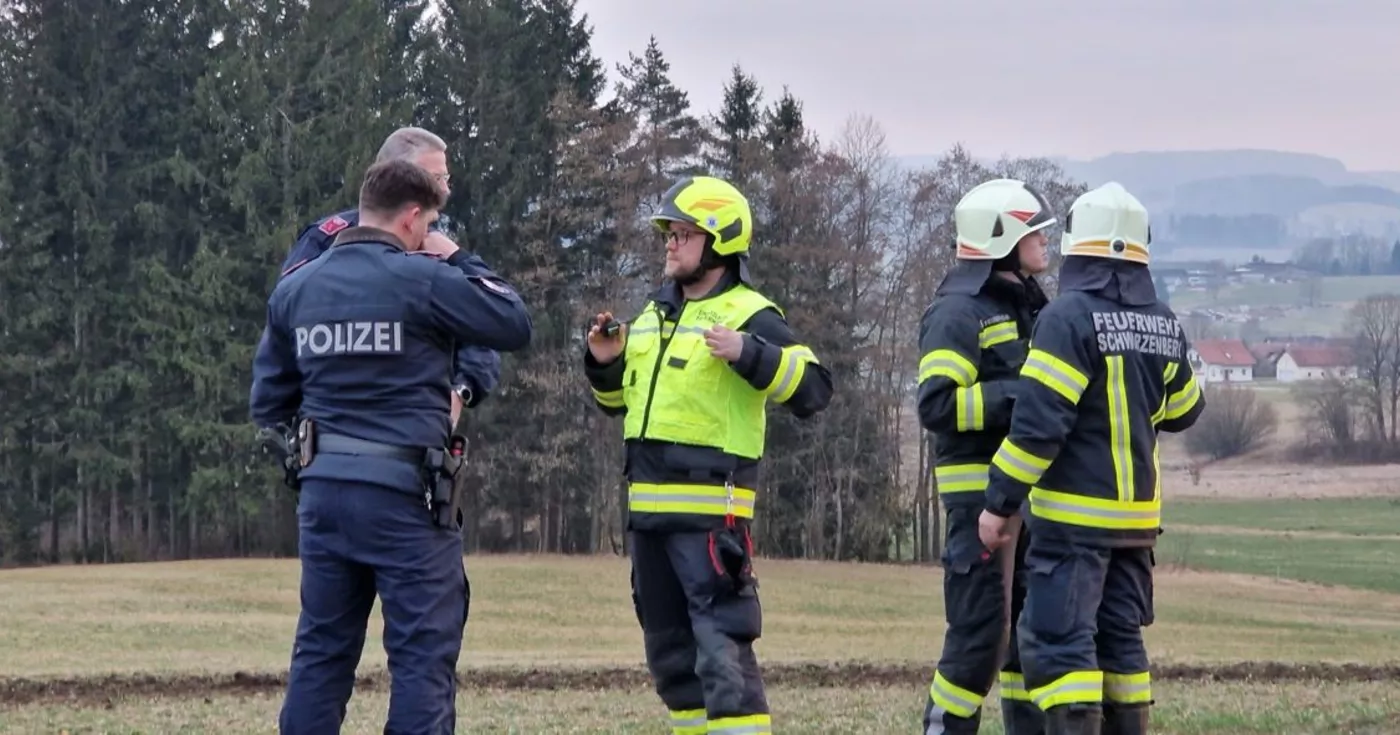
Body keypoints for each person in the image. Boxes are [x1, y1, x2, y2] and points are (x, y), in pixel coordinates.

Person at [249, 158, 533, 734]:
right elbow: (512, 320)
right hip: (408, 500)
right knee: (421, 661)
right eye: (429, 223)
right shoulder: (423, 279)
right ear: (411, 218)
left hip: (324, 496)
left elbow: (268, 402)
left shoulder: (297, 287)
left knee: (322, 655)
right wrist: (455, 256)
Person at [583, 175, 833, 735]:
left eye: (683, 234)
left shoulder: (751, 314)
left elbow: (815, 389)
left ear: (719, 241)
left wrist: (750, 353)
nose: (670, 244)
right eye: (668, 234)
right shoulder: (652, 313)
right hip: (647, 521)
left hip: (710, 524)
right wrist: (603, 362)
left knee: (723, 659)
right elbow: (617, 404)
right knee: (671, 662)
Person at [977, 182, 1205, 735]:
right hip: (1136, 527)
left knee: (1058, 645)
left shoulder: (1066, 319)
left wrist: (998, 505)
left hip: (1074, 525)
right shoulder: (1164, 320)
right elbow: (1185, 409)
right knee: (1122, 643)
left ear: (1082, 245)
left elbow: (1037, 428)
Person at [917, 178, 1057, 735]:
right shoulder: (957, 312)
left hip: (1025, 502)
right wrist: (1023, 395)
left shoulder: (1029, 306)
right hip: (978, 503)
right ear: (1001, 239)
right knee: (978, 639)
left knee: (1026, 641)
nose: (1046, 243)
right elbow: (937, 403)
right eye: (1034, 232)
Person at [281, 126, 502, 426]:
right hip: (331, 424)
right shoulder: (323, 241)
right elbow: (284, 326)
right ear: (397, 175)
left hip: (414, 426)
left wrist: (460, 391)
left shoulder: (439, 248)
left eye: (445, 179)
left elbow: (481, 328)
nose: (446, 190)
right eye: (435, 179)